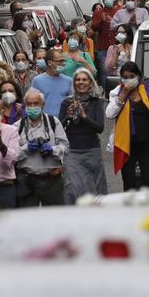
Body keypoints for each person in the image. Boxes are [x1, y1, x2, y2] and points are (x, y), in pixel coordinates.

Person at [106, 63, 149, 191]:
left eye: (132, 76)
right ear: (121, 79)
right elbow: (109, 114)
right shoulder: (116, 93)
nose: (129, 80)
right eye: (125, 77)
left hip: (147, 142)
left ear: (138, 76)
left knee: (148, 179)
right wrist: (123, 95)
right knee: (129, 180)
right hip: (126, 143)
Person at [14, 90, 69, 207]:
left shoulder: (53, 122)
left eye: (36, 103)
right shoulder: (18, 126)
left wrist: (52, 150)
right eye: (29, 104)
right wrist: (26, 149)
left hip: (52, 180)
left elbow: (66, 147)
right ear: (25, 106)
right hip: (27, 180)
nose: (33, 107)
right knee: (28, 219)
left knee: (55, 218)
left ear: (43, 105)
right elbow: (11, 155)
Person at [60, 70, 108, 203]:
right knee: (73, 188)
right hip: (72, 152)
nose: (81, 82)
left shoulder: (96, 102)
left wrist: (84, 116)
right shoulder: (66, 102)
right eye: (78, 80)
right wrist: (67, 116)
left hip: (92, 151)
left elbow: (100, 128)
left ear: (90, 83)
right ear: (74, 83)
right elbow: (59, 128)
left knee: (95, 188)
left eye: (84, 80)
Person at [31, 49, 75, 116]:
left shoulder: (69, 80)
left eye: (63, 61)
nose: (63, 64)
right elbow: (33, 103)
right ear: (49, 63)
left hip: (63, 122)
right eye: (60, 61)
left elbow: (72, 102)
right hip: (45, 121)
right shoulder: (37, 80)